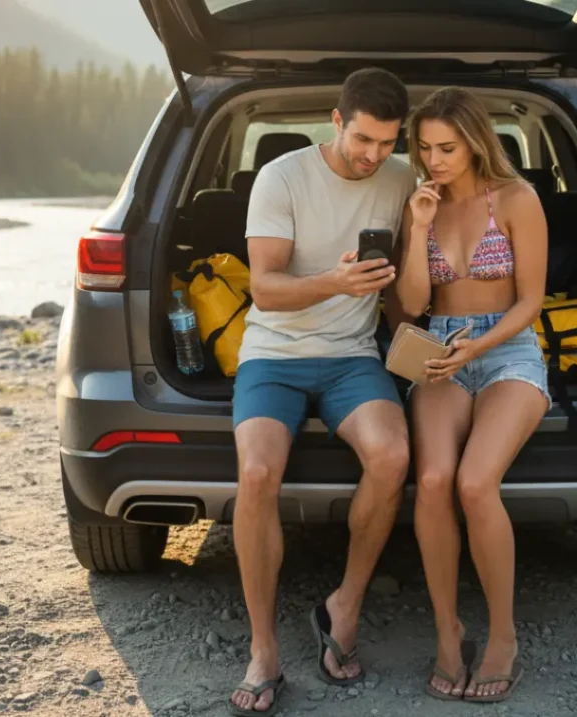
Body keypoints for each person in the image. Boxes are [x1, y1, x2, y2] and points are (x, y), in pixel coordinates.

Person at [228, 67, 417, 716]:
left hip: (350, 357)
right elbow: (267, 288)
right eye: (362, 138)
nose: (372, 156)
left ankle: (345, 604)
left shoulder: (400, 178)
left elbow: (408, 283)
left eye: (387, 143)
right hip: (274, 355)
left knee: (392, 457)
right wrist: (336, 284)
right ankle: (264, 650)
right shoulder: (282, 177)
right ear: (335, 122)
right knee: (256, 472)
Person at [395, 86, 551, 703]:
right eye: (426, 148)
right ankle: (447, 630)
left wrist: (479, 349)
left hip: (507, 349)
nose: (435, 160)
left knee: (474, 482)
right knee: (432, 480)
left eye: (448, 147)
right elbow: (410, 303)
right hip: (438, 350)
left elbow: (530, 302)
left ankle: (503, 638)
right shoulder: (422, 205)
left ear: (476, 140)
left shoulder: (516, 199)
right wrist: (418, 228)